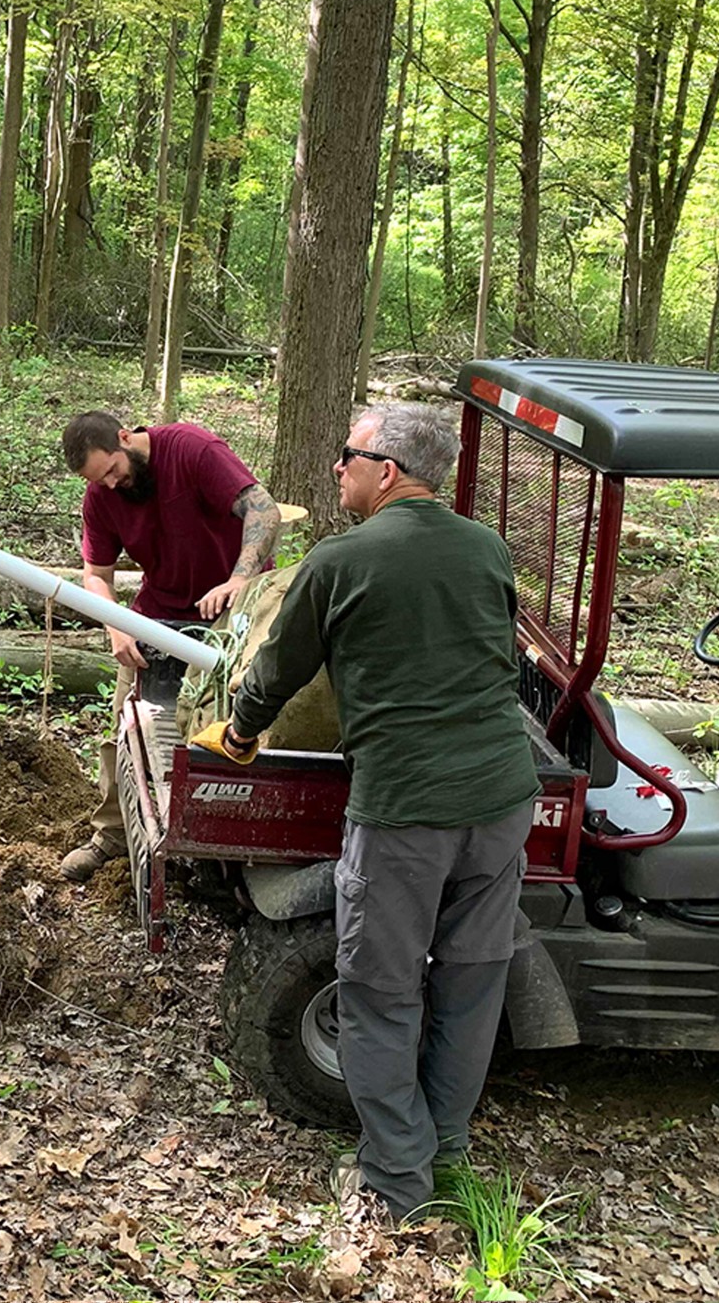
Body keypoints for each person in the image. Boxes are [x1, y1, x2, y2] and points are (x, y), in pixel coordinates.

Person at [197, 403, 539, 1222]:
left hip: (406, 808)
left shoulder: (341, 560)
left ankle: (395, 1177)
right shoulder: (487, 547)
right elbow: (494, 649)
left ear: (386, 471)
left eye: (347, 455)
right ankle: (443, 1146)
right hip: (502, 797)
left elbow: (277, 670)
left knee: (380, 990)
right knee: (471, 980)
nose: (336, 468)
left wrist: (238, 733)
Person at [58, 411, 283, 883]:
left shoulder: (193, 450)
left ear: (125, 438)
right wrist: (116, 624)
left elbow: (264, 510)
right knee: (127, 727)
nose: (112, 484)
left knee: (230, 726)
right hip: (158, 616)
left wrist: (239, 579)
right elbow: (95, 575)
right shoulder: (101, 495)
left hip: (232, 613)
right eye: (99, 480)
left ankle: (229, 845)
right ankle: (113, 834)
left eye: (113, 470)